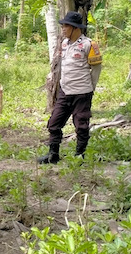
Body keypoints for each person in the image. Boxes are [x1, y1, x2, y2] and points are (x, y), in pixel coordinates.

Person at [37, 11, 102, 164]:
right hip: (65, 92)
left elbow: (97, 69)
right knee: (54, 122)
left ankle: (80, 155)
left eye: (66, 26)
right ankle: (53, 154)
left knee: (81, 124)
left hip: (82, 93)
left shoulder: (88, 44)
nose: (63, 29)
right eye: (63, 26)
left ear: (75, 28)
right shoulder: (64, 44)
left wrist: (91, 86)